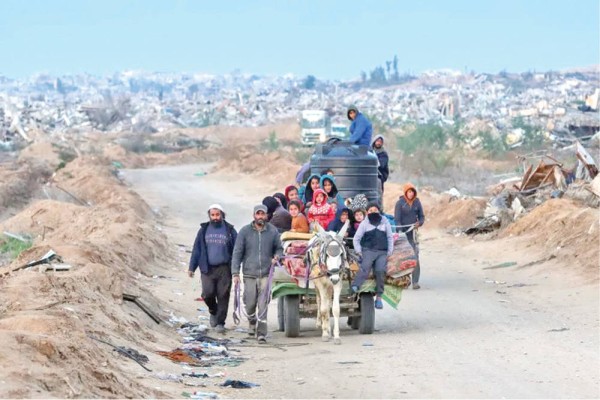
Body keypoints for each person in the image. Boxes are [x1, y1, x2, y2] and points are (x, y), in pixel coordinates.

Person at [231, 204, 283, 343]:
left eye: (263, 214)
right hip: (249, 274)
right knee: (249, 303)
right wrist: (235, 273)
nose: (260, 216)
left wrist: (277, 256)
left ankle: (261, 333)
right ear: (254, 215)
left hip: (266, 274)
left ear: (266, 216)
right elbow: (237, 252)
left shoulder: (272, 231)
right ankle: (252, 322)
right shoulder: (244, 231)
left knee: (263, 304)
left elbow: (279, 248)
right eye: (258, 214)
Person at [188, 204, 238, 334]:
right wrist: (191, 267)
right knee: (207, 293)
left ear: (222, 215)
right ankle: (213, 310)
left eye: (217, 215)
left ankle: (220, 322)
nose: (215, 217)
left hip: (224, 268)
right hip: (207, 268)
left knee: (223, 295)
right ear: (209, 216)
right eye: (213, 215)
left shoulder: (229, 230)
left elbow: (237, 249)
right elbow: (197, 249)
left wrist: (236, 268)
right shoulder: (204, 230)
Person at [351, 202, 394, 310]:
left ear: (379, 211)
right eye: (370, 211)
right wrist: (359, 251)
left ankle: (379, 297)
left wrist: (389, 251)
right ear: (367, 212)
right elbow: (356, 239)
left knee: (380, 270)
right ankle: (356, 285)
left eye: (375, 210)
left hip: (382, 252)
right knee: (365, 266)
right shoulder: (364, 223)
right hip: (368, 250)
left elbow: (390, 237)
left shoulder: (385, 222)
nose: (373, 212)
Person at [394, 183, 425, 290]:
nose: (411, 194)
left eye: (412, 192)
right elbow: (397, 219)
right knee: (403, 258)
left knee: (415, 256)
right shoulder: (400, 203)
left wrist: (419, 223)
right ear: (405, 192)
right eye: (409, 192)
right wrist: (400, 231)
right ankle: (404, 281)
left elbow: (422, 217)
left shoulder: (417, 202)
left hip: (412, 234)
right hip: (403, 234)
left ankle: (415, 281)